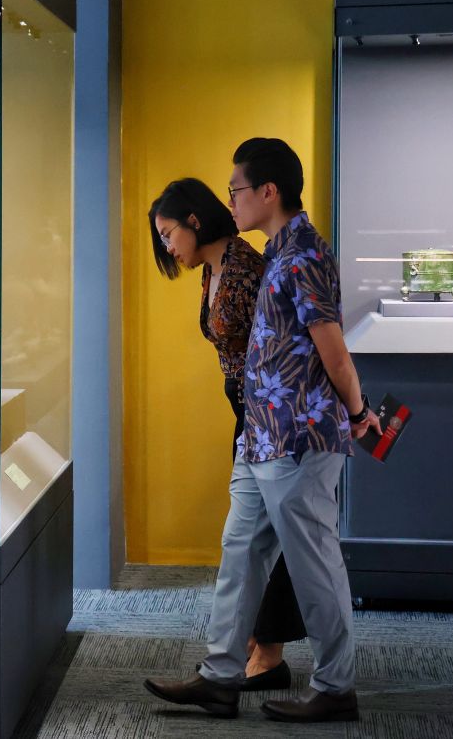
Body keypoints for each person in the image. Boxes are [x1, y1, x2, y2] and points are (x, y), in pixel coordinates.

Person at [145, 139, 381, 723]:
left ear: (267, 191)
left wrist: (358, 413)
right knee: (239, 553)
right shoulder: (277, 251)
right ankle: (220, 676)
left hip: (298, 439)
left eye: (237, 189)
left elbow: (335, 353)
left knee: (313, 563)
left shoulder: (301, 255)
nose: (232, 200)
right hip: (262, 437)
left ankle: (334, 685)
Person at [148, 177, 306, 691]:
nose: (168, 247)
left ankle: (266, 652)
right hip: (248, 407)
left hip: (270, 412)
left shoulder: (244, 269)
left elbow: (283, 346)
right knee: (252, 537)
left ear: (195, 221)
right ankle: (250, 654)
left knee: (273, 537)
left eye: (169, 234)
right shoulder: (212, 268)